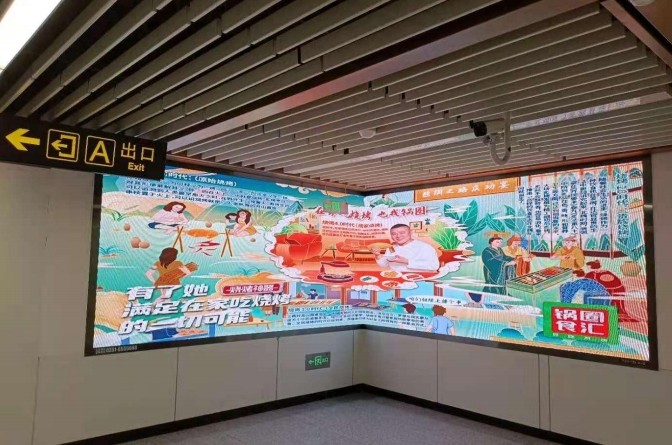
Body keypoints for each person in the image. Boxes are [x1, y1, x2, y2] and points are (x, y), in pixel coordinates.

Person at [372, 224, 440, 272]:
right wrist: (377, 255)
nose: (398, 236)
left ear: (410, 232)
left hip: (418, 278)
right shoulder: (391, 248)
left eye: (402, 232)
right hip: (395, 277)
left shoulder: (424, 247)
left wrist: (407, 261)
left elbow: (434, 266)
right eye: (394, 234)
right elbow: (384, 265)